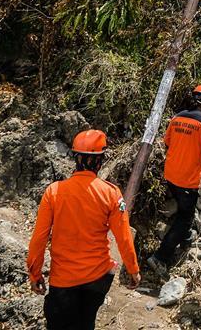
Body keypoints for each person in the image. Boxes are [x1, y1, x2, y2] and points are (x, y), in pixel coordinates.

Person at [26, 129, 140, 330]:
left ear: (76, 158)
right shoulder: (111, 193)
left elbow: (39, 239)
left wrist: (35, 274)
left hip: (64, 281)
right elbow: (123, 237)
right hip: (98, 278)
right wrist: (133, 270)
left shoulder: (53, 192)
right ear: (100, 161)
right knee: (86, 322)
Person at [147, 84, 201, 275]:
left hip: (170, 174)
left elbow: (167, 142)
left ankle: (185, 237)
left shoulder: (177, 118)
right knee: (185, 219)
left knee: (183, 208)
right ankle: (160, 257)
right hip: (187, 179)